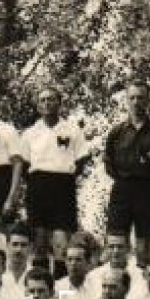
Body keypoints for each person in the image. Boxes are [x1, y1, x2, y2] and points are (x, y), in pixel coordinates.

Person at [102, 84, 150, 262]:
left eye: (141, 97)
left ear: (148, 100)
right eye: (132, 98)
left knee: (143, 245)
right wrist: (121, 179)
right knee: (118, 243)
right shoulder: (117, 132)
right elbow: (107, 162)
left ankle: (142, 283)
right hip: (122, 190)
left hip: (147, 190)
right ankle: (120, 283)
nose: (136, 102)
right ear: (127, 100)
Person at [20, 89, 92, 258]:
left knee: (62, 241)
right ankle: (39, 281)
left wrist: (66, 178)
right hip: (38, 186)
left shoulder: (72, 130)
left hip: (63, 186)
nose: (47, 103)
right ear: (38, 105)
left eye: (51, 99)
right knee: (39, 240)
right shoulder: (30, 133)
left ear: (59, 103)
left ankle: (60, 281)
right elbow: (23, 164)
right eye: (43, 100)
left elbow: (81, 160)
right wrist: (35, 182)